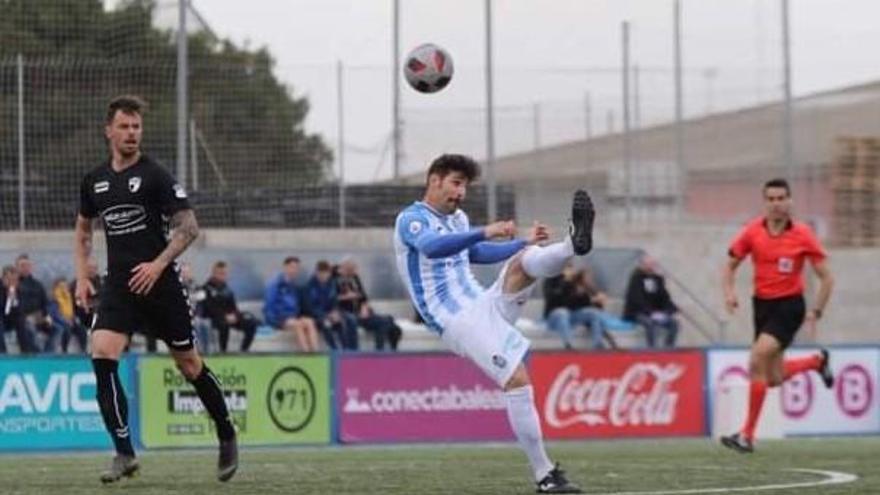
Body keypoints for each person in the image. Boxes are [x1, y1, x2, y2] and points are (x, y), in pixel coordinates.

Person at [393, 153, 589, 493]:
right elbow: (433, 248)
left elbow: (475, 254)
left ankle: (572, 243)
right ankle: (545, 476)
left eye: (465, 186)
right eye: (456, 183)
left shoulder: (458, 219)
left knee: (523, 262)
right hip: (456, 319)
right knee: (516, 378)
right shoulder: (411, 219)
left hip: (481, 302)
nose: (461, 193)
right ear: (434, 180)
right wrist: (484, 231)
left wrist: (521, 241)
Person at [74, 95, 237, 483]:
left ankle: (227, 432)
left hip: (161, 286)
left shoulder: (156, 175)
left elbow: (189, 227)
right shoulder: (94, 180)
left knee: (188, 364)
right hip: (119, 287)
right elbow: (83, 231)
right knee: (101, 353)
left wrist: (159, 263)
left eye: (137, 127)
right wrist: (82, 275)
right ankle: (124, 453)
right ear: (108, 130)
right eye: (125, 126)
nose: (132, 133)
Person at [720, 178, 835, 453]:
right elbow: (730, 266)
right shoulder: (752, 231)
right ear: (765, 202)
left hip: (789, 306)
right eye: (770, 199)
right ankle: (815, 362)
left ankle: (746, 435)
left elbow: (827, 277)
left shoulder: (802, 234)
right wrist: (729, 293)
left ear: (790, 201)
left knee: (757, 357)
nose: (776, 204)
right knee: (772, 378)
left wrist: (816, 310)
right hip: (762, 306)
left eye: (781, 198)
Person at [335, 258, 402, 351]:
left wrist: (364, 307)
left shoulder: (355, 278)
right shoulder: (335, 280)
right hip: (347, 313)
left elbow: (364, 297)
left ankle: (381, 350)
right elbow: (332, 299)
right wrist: (347, 296)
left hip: (361, 313)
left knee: (387, 322)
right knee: (351, 320)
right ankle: (353, 351)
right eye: (351, 270)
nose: (354, 273)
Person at [263, 256, 321, 352]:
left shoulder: (292, 285)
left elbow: (295, 306)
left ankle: (316, 353)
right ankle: (307, 355)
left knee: (309, 322)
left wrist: (299, 316)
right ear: (285, 267)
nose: (294, 270)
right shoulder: (274, 284)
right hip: (279, 319)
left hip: (292, 318)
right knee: (298, 325)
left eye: (297, 268)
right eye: (292, 267)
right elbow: (269, 306)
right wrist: (276, 321)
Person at [623, 255, 680, 348]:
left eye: (652, 265)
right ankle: (652, 349)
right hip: (638, 312)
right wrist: (650, 313)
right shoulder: (636, 278)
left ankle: (669, 348)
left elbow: (664, 297)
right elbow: (636, 299)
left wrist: (671, 309)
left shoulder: (658, 279)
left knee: (674, 324)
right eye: (648, 265)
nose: (650, 267)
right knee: (650, 323)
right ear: (642, 265)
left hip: (656, 312)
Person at [202, 260, 258, 353]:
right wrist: (224, 316)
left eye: (225, 273)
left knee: (251, 323)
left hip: (230, 317)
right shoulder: (206, 289)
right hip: (215, 318)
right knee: (224, 325)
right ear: (214, 273)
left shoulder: (227, 289)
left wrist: (235, 315)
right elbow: (208, 308)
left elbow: (233, 306)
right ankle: (223, 352)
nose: (223, 276)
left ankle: (244, 350)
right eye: (220, 273)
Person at [16, 254, 64, 353]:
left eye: (27, 266)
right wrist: (27, 316)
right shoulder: (15, 285)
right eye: (22, 266)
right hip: (24, 319)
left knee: (58, 329)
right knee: (29, 328)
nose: (25, 268)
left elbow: (45, 303)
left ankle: (47, 354)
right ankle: (35, 355)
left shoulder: (38, 285)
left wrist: (47, 316)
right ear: (17, 268)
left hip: (40, 318)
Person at [306, 260, 357, 351]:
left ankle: (347, 350)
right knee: (327, 324)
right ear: (316, 273)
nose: (323, 277)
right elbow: (310, 307)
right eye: (321, 274)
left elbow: (334, 301)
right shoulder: (310, 286)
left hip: (330, 313)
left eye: (326, 274)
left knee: (342, 321)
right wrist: (326, 315)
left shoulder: (331, 284)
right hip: (318, 315)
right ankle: (334, 350)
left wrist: (335, 312)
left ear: (329, 273)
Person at [1, 265, 39, 354]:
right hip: (1, 318)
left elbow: (21, 311)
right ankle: (2, 353)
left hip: (12, 319)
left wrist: (14, 300)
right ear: (3, 279)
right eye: (9, 280)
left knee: (23, 323)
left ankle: (27, 352)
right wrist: (7, 298)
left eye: (15, 280)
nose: (12, 283)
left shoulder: (20, 290)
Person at [50, 277, 88, 354]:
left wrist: (73, 319)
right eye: (61, 287)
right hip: (58, 321)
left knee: (82, 329)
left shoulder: (69, 297)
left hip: (70, 320)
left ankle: (83, 349)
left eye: (65, 286)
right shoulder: (54, 299)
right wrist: (64, 320)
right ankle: (64, 350)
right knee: (66, 329)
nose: (64, 288)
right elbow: (54, 314)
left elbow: (72, 311)